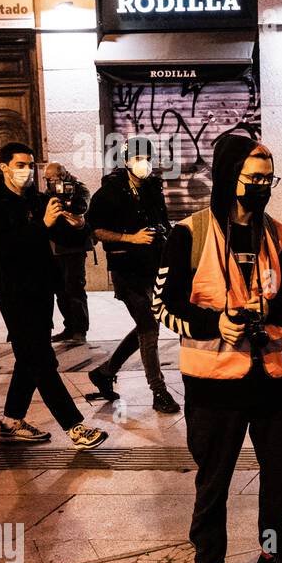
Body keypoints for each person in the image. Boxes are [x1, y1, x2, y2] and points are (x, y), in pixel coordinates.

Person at [152, 134, 282, 563]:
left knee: (281, 477)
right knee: (214, 485)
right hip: (214, 384)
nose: (262, 188)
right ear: (230, 178)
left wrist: (275, 309)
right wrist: (215, 324)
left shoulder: (280, 235)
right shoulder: (189, 234)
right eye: (254, 180)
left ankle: (274, 553)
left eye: (268, 180)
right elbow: (161, 306)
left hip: (270, 378)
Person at [0, 142, 107, 449]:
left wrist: (78, 225)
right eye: (20, 165)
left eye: (31, 165)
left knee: (29, 355)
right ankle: (75, 427)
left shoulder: (37, 200)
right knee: (41, 359)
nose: (27, 171)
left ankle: (12, 422)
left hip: (42, 286)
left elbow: (63, 237)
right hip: (11, 290)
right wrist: (40, 225)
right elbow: (4, 249)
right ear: (4, 167)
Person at [86, 137, 179, 414]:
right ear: (126, 161)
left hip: (153, 266)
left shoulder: (153, 188)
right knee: (149, 326)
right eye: (138, 158)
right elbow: (95, 230)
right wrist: (131, 238)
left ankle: (104, 373)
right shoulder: (108, 192)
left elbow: (163, 222)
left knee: (145, 326)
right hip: (126, 271)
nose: (143, 163)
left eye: (147, 157)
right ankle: (158, 391)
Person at [42, 162, 91, 344]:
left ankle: (80, 330)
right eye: (46, 180)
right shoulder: (49, 193)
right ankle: (69, 327)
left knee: (74, 288)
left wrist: (69, 205)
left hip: (74, 248)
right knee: (60, 291)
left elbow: (83, 207)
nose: (49, 183)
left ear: (62, 176)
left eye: (51, 179)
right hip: (55, 248)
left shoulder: (79, 189)